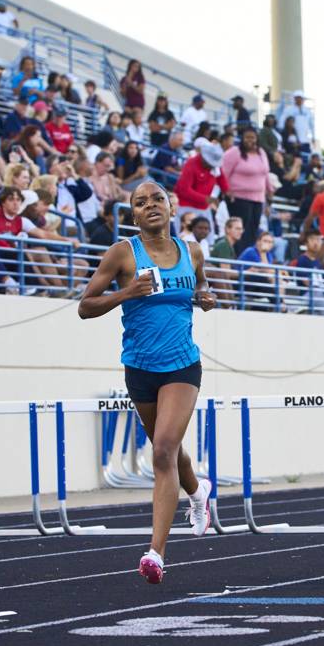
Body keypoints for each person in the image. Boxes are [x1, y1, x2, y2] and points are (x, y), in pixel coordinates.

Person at [78, 181, 216, 583]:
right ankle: (198, 490)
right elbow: (85, 307)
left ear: (171, 208)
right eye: (141, 202)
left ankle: (156, 552)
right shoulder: (123, 254)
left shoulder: (191, 251)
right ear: (133, 214)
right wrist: (128, 292)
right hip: (139, 367)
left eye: (157, 199)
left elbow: (200, 284)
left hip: (181, 365)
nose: (150, 205)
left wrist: (204, 297)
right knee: (166, 449)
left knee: (162, 451)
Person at [220, 126, 269, 252]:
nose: (250, 140)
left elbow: (265, 173)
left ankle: (247, 256)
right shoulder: (234, 152)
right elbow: (223, 173)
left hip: (258, 198)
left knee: (253, 230)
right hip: (239, 198)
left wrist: (270, 190)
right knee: (240, 231)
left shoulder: (261, 153)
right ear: (242, 138)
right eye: (247, 137)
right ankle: (237, 256)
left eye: (252, 137)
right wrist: (226, 190)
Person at [174, 140, 228, 227]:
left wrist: (227, 191)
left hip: (203, 207)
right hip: (186, 207)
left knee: (208, 237)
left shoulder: (215, 166)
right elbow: (184, 189)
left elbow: (221, 178)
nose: (211, 165)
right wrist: (206, 199)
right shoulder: (191, 164)